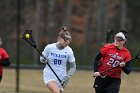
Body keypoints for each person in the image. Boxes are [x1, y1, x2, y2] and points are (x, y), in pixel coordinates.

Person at [40, 26, 76, 93]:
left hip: (62, 78)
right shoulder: (49, 47)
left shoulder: (69, 51)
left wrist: (67, 77)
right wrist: (43, 60)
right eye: (65, 39)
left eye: (69, 40)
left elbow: (73, 67)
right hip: (49, 75)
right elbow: (41, 58)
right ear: (60, 38)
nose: (67, 42)